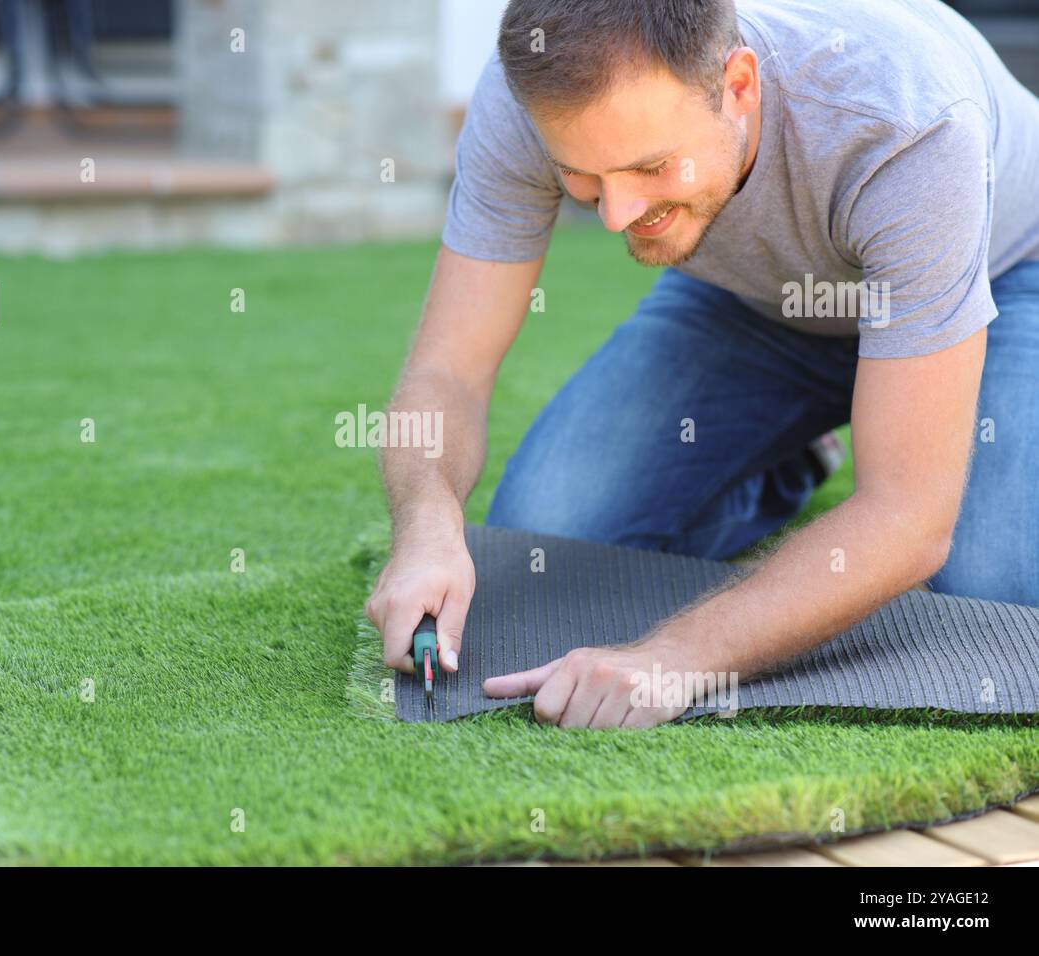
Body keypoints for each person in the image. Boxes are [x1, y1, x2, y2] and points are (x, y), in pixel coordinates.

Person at [364, 0, 1039, 729]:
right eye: (582, 178)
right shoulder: (528, 93)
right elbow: (447, 370)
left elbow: (909, 516)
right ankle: (789, 460)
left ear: (739, 86)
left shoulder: (907, 122)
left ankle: (888, 414)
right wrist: (429, 523)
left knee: (990, 587)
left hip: (1004, 282)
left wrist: (678, 658)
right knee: (546, 536)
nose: (618, 215)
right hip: (757, 306)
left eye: (650, 167)